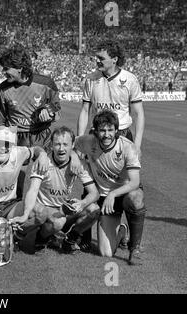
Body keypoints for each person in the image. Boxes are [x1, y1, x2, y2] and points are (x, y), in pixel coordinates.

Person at [76, 40, 145, 250]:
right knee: (90, 183)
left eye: (101, 58)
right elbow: (84, 111)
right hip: (98, 134)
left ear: (114, 59)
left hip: (122, 133)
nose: (96, 60)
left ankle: (133, 241)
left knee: (129, 186)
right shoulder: (91, 79)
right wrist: (80, 142)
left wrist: (138, 144)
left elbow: (139, 114)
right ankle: (83, 237)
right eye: (96, 57)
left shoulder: (129, 79)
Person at [11, 126, 100, 254]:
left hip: (63, 209)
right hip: (44, 210)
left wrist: (82, 203)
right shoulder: (44, 162)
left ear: (73, 145)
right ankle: (40, 239)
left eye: (65, 144)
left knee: (94, 210)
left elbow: (94, 193)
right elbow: (33, 190)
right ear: (52, 145)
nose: (61, 148)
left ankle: (69, 239)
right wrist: (26, 213)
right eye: (57, 144)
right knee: (59, 221)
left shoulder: (78, 164)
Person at [75, 110, 145, 265]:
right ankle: (121, 231)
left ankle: (135, 248)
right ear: (95, 131)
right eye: (102, 130)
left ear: (117, 131)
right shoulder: (88, 141)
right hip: (103, 198)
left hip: (123, 194)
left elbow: (134, 182)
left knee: (135, 198)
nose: (106, 135)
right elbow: (70, 144)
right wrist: (75, 158)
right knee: (106, 253)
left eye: (110, 130)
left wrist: (112, 194)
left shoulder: (128, 147)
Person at [0, 125, 48, 222]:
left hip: (11, 205)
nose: (3, 147)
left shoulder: (18, 153)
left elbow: (35, 149)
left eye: (7, 144)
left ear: (12, 145)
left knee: (39, 212)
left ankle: (18, 235)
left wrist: (42, 154)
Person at [0, 43, 61, 150]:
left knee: (43, 166)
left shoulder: (46, 84)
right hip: (14, 138)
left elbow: (57, 110)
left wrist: (48, 110)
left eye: (6, 69)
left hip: (41, 138)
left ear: (19, 68)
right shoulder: (2, 89)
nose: (3, 72)